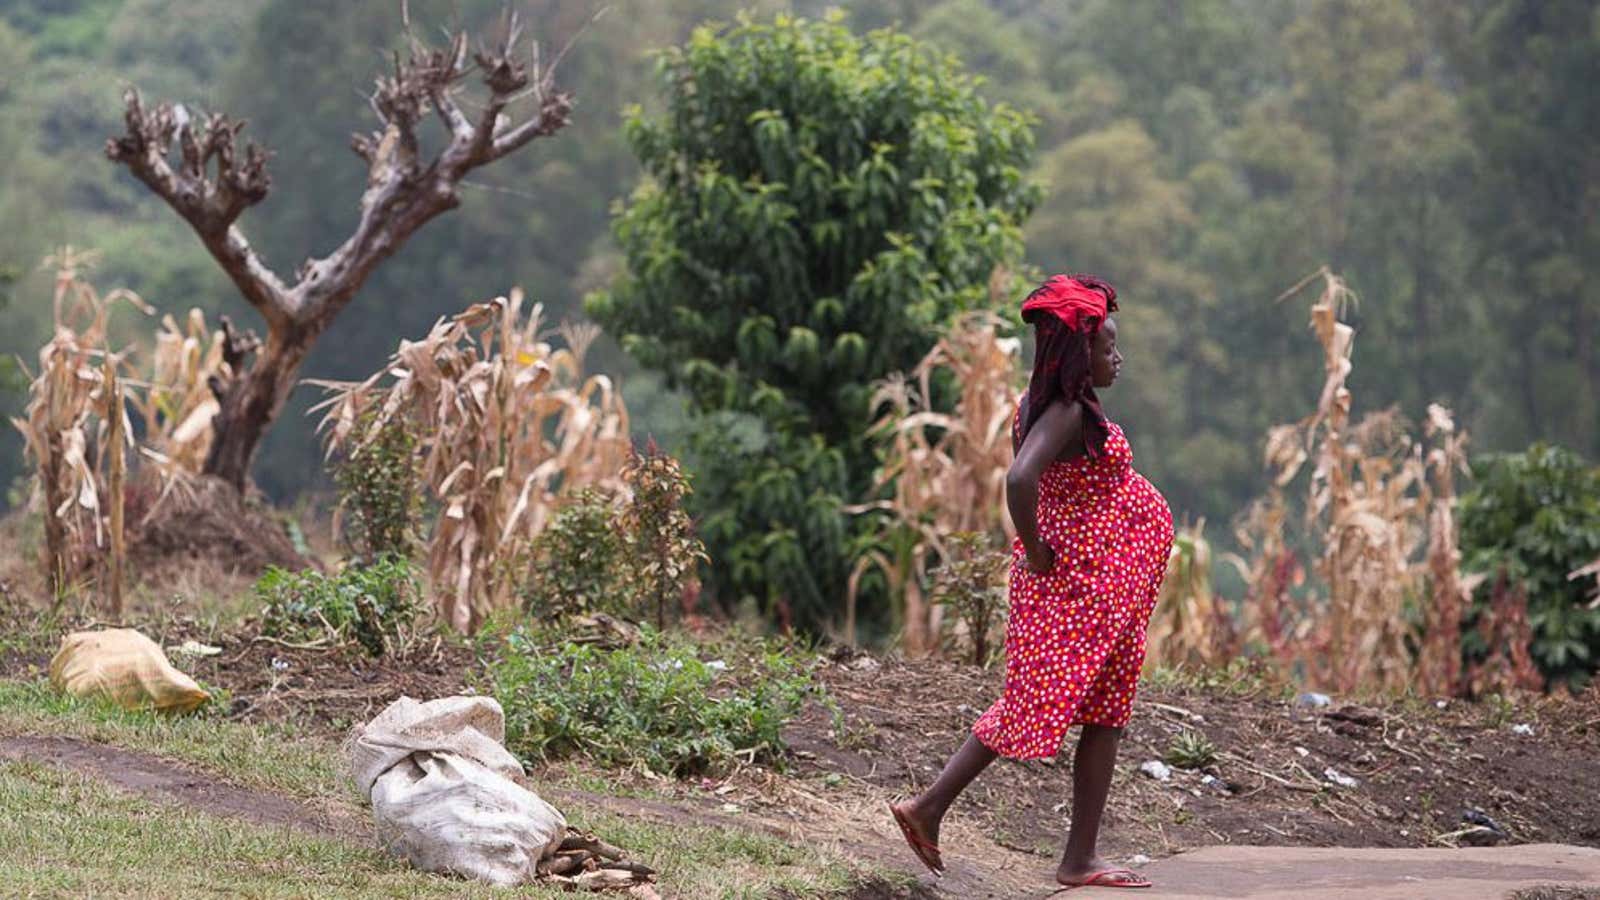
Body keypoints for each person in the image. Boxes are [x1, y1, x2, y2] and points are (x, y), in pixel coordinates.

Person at [890, 274, 1174, 890]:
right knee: (1032, 702)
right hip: (1079, 587)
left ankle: (1079, 859)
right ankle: (927, 807)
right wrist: (1038, 549)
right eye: (1107, 348)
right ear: (1078, 355)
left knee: (1107, 712)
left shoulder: (1053, 406)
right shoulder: (1066, 413)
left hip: (1106, 587)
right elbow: (1020, 481)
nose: (1117, 358)